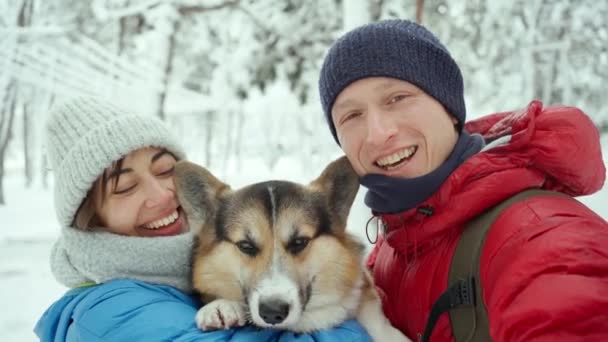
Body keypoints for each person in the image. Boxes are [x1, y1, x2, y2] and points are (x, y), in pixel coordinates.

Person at [318, 19, 608, 341]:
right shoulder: (396, 243)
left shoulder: (543, 240)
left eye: (397, 98)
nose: (377, 133)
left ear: (450, 109)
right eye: (351, 115)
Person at [35, 96, 372, 341]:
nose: (163, 195)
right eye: (125, 187)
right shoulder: (109, 311)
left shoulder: (188, 271)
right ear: (90, 219)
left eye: (166, 170)